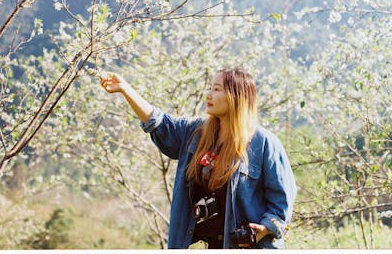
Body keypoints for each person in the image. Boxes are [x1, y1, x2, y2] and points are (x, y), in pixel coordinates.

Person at [100, 68, 296, 249]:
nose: (209, 95)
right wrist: (125, 90)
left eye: (217, 89)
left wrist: (265, 229)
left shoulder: (264, 144)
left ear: (237, 96)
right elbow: (157, 122)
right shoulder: (196, 133)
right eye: (210, 88)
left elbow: (281, 202)